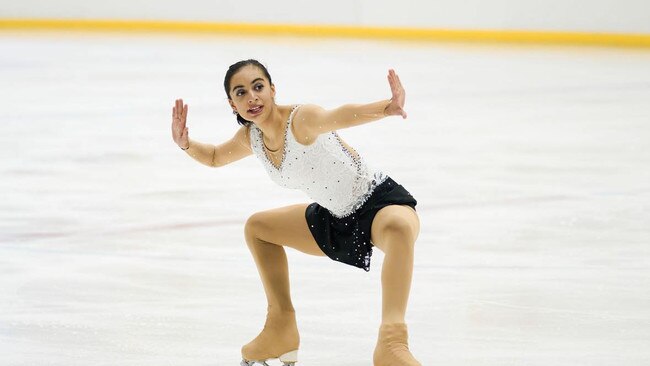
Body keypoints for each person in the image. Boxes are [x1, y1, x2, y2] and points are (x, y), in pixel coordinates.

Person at [171, 59, 422, 366]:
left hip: (378, 203)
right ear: (232, 104)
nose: (252, 97)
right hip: (333, 217)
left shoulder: (301, 120)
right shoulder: (252, 139)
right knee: (258, 228)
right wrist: (186, 144)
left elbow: (340, 115)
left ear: (272, 89)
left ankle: (391, 341)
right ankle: (280, 328)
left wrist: (386, 107)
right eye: (241, 92)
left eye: (258, 86)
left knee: (398, 227)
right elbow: (213, 157)